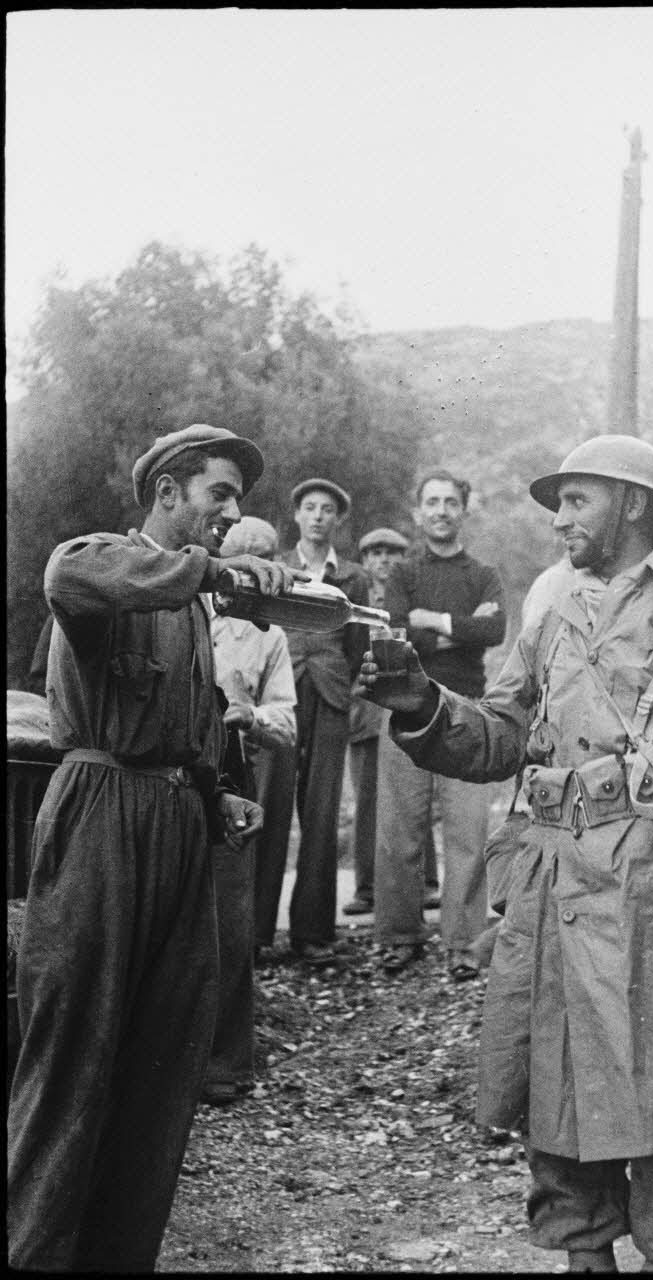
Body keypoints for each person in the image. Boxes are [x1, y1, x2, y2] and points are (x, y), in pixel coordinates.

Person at [361, 435, 653, 1273]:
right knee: (558, 1105)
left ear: (632, 505)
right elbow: (502, 736)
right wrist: (418, 701)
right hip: (556, 892)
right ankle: (584, 1256)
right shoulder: (552, 608)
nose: (558, 519)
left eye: (575, 500)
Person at [7, 424, 301, 1272]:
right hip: (101, 816)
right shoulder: (111, 565)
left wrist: (218, 797)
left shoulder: (195, 611)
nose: (230, 513)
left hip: (178, 830)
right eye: (219, 494)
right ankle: (33, 1253)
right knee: (73, 1051)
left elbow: (188, 723)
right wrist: (212, 572)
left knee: (161, 1064)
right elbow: (68, 572)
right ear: (169, 492)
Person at [374, 469, 506, 979]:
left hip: (468, 707)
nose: (442, 510)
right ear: (417, 512)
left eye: (451, 501)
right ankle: (398, 935)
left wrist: (432, 622)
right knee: (399, 828)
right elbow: (397, 633)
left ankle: (463, 941)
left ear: (464, 511)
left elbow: (492, 630)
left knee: (467, 831)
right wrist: (456, 631)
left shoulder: (483, 573)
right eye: (432, 501)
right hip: (408, 702)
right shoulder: (403, 574)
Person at [204, 516, 297, 1104]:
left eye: (268, 560)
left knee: (231, 927)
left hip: (228, 775)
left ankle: (225, 1066)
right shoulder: (182, 607)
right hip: (166, 769)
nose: (258, 573)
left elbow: (286, 720)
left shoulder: (270, 635)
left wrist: (252, 717)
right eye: (246, 560)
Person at [275, 477, 370, 966]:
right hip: (281, 691)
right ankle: (253, 932)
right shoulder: (275, 569)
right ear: (296, 516)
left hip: (331, 693)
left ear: (337, 520)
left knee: (321, 812)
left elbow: (357, 647)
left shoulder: (352, 577)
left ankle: (311, 932)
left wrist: (342, 682)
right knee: (270, 806)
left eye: (327, 509)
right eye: (309, 507)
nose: (317, 516)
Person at [344, 525, 440, 916]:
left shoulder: (414, 599)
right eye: (375, 553)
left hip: (408, 709)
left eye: (391, 553)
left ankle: (427, 882)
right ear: (365, 561)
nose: (383, 560)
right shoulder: (352, 601)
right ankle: (366, 888)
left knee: (415, 795)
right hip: (367, 711)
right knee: (367, 799)